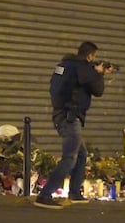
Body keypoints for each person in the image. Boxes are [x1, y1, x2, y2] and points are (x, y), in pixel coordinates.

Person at [34, 41, 113, 209]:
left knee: (81, 154)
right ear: (91, 55)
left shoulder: (63, 65)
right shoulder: (82, 67)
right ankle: (45, 194)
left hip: (61, 114)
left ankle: (75, 192)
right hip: (71, 116)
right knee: (70, 157)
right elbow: (98, 90)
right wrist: (99, 73)